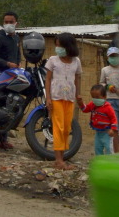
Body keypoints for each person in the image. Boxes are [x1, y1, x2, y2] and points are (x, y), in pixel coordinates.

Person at [45, 32, 82, 170]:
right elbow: (48, 79)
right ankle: (58, 160)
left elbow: (77, 78)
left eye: (59, 45)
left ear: (68, 46)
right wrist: (48, 98)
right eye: (57, 45)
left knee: (66, 128)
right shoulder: (52, 60)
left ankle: (61, 158)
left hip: (70, 98)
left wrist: (78, 94)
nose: (57, 48)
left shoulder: (76, 61)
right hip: (56, 97)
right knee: (58, 127)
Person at [0, 11, 21, 150]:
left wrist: (18, 63)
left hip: (12, 75)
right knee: (1, 105)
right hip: (1, 74)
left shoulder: (16, 38)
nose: (8, 24)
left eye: (11, 22)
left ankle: (3, 138)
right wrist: (7, 64)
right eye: (6, 22)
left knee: (10, 106)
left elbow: (17, 54)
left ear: (16, 23)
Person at [77, 84, 118, 156]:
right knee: (97, 148)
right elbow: (85, 109)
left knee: (109, 149)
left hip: (107, 133)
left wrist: (113, 129)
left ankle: (111, 163)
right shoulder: (93, 104)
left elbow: (114, 119)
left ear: (104, 97)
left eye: (97, 97)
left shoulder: (108, 107)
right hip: (98, 133)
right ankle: (100, 163)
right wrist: (80, 103)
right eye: (93, 97)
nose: (95, 99)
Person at [100, 46, 119, 152]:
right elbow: (101, 83)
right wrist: (108, 86)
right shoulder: (105, 70)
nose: (114, 58)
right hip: (110, 100)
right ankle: (116, 152)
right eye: (111, 56)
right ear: (108, 57)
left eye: (116, 56)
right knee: (114, 128)